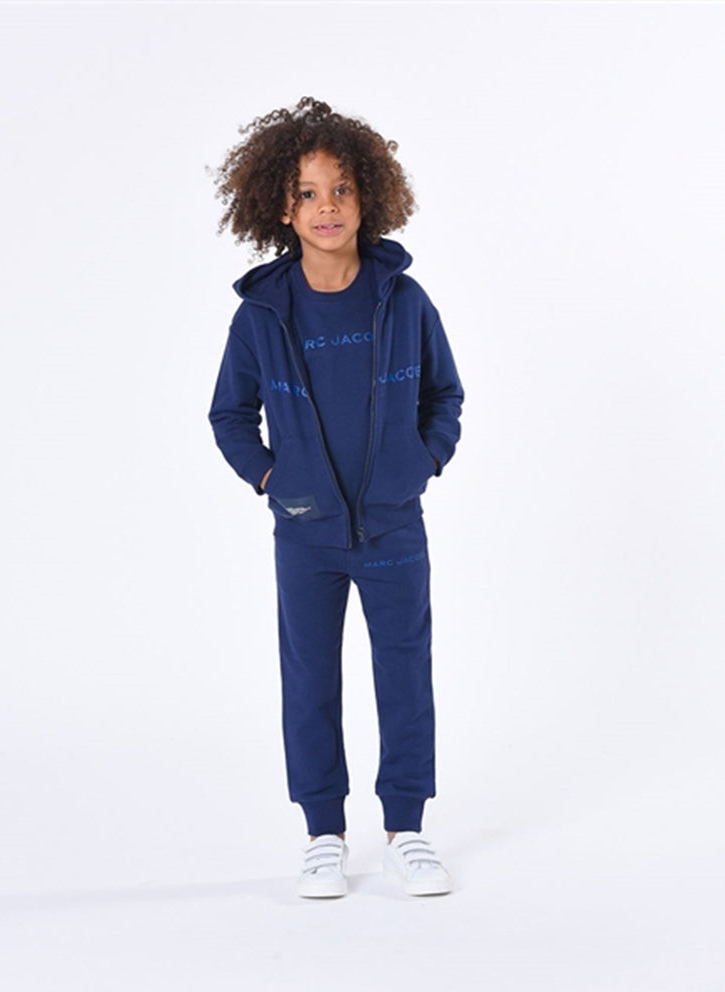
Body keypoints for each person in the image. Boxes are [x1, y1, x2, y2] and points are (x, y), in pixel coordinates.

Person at [208, 97, 464, 899]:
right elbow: (229, 415)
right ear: (282, 208)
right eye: (309, 193)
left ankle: (406, 830)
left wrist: (422, 462)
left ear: (369, 197)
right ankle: (323, 833)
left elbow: (446, 396)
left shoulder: (404, 301)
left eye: (343, 189)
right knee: (310, 679)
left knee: (405, 675)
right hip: (307, 532)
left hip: (393, 528)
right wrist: (271, 479)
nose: (328, 207)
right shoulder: (261, 315)